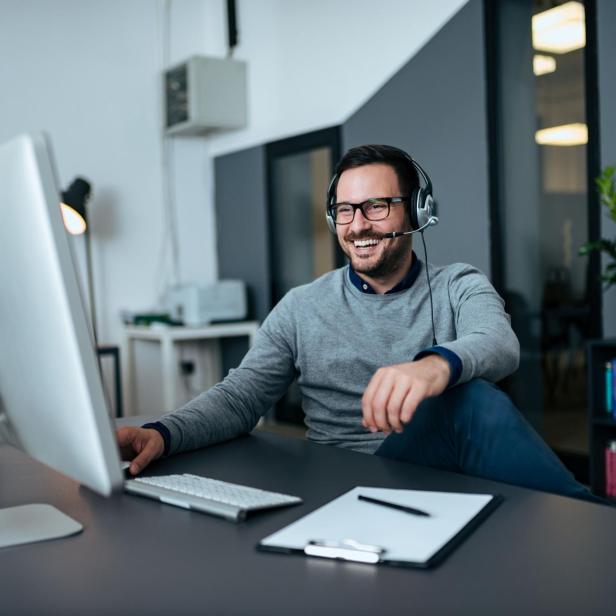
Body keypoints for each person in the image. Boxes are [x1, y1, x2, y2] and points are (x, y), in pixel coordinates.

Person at [118, 144, 598, 503]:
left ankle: (590, 525)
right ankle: (594, 520)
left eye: (376, 206)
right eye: (345, 210)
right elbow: (241, 396)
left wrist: (434, 367)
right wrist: (163, 433)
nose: (358, 225)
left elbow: (498, 342)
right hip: (340, 481)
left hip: (436, 471)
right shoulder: (302, 305)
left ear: (417, 211)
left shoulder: (458, 284)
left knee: (466, 399)